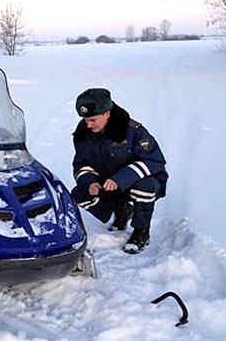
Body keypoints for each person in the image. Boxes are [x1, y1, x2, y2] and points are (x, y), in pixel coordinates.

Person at [71, 88, 168, 254]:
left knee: (145, 186)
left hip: (140, 182)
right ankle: (121, 209)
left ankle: (141, 231)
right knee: (78, 194)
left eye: (93, 119)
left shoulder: (133, 130)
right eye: (85, 119)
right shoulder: (83, 134)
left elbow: (154, 161)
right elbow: (81, 164)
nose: (88, 124)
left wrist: (120, 179)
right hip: (109, 184)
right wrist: (90, 182)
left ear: (107, 114)